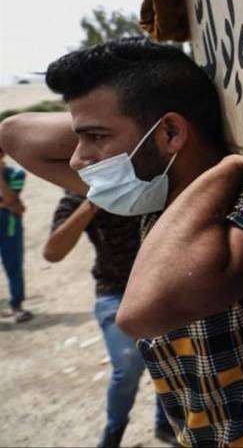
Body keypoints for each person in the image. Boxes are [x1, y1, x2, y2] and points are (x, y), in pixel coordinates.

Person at [0, 39, 243, 447]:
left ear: (172, 132)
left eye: (95, 136)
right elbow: (15, 135)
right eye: (79, 137)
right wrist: (113, 128)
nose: (77, 159)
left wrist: (228, 167)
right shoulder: (152, 190)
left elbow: (139, 314)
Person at [45, 191, 176, 447]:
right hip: (114, 293)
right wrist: (91, 204)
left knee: (169, 356)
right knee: (128, 364)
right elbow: (52, 252)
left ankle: (166, 423)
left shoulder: (146, 179)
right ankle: (114, 431)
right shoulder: (75, 196)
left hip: (158, 289)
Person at [0, 150, 32, 323]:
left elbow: (10, 198)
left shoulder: (15, 174)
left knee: (13, 267)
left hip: (9, 230)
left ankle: (16, 305)